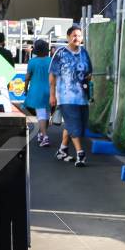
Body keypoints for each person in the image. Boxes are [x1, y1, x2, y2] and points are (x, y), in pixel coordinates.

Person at [49, 25, 92, 167]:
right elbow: (52, 76)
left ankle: (62, 150)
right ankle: (81, 154)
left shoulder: (84, 53)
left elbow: (89, 73)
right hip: (66, 97)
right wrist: (52, 95)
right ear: (68, 37)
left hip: (82, 98)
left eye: (79, 35)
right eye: (74, 35)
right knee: (75, 125)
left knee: (76, 124)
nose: (77, 38)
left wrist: (86, 83)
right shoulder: (60, 53)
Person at [22, 39, 52, 147]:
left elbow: (27, 77)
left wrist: (25, 88)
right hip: (50, 90)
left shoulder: (32, 62)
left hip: (37, 90)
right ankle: (41, 133)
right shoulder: (51, 60)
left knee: (40, 114)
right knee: (47, 114)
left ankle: (45, 137)